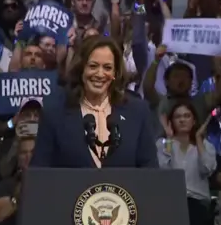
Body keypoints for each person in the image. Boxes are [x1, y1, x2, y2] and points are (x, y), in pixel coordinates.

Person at [31, 35, 157, 168]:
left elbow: (150, 173)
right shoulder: (55, 112)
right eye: (93, 66)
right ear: (81, 69)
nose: (100, 74)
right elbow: (40, 172)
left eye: (107, 68)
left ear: (115, 72)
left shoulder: (137, 112)